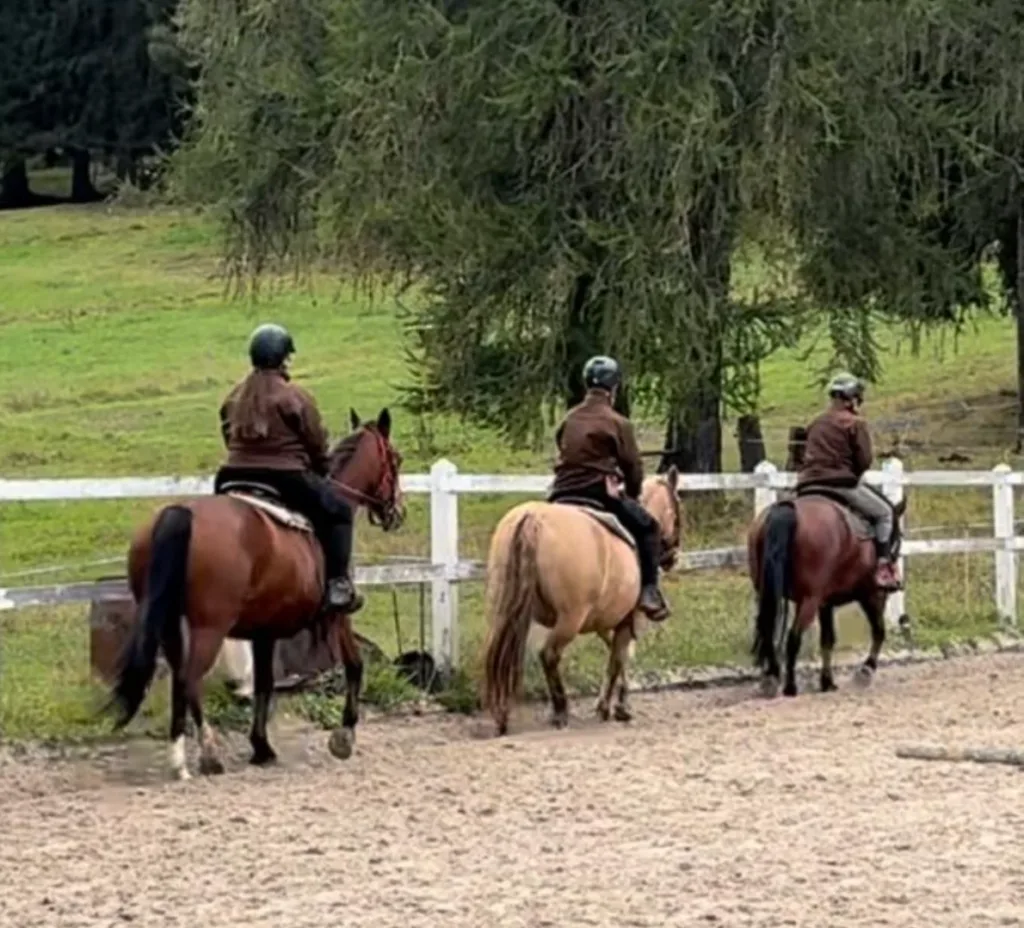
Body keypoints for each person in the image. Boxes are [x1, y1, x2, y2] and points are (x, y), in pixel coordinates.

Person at [213, 323, 363, 614]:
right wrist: (322, 468)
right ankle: (338, 584)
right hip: (284, 477)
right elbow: (315, 442)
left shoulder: (233, 397)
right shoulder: (294, 396)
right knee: (339, 512)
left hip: (231, 476)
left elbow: (227, 436)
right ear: (283, 358)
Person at [548, 355, 671, 621]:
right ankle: (649, 591)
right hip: (598, 493)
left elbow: (563, 449)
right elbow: (633, 466)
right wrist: (633, 493)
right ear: (614, 388)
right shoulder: (618, 423)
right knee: (649, 527)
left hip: (561, 492)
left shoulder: (570, 418)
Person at [796, 372, 901, 591]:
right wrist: (853, 472)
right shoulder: (854, 423)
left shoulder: (815, 423)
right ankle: (883, 566)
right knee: (885, 513)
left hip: (808, 485)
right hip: (840, 484)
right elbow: (864, 461)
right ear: (851, 399)